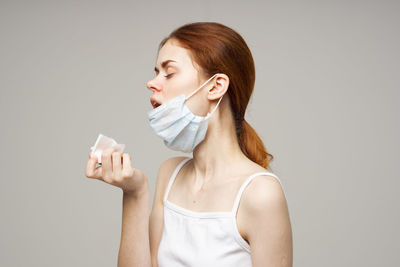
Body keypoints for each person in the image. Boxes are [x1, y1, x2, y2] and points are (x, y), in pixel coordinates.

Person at [85, 22, 292, 267]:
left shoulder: (261, 193)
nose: (152, 83)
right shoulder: (170, 173)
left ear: (215, 86)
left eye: (169, 73)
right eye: (155, 72)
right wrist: (134, 193)